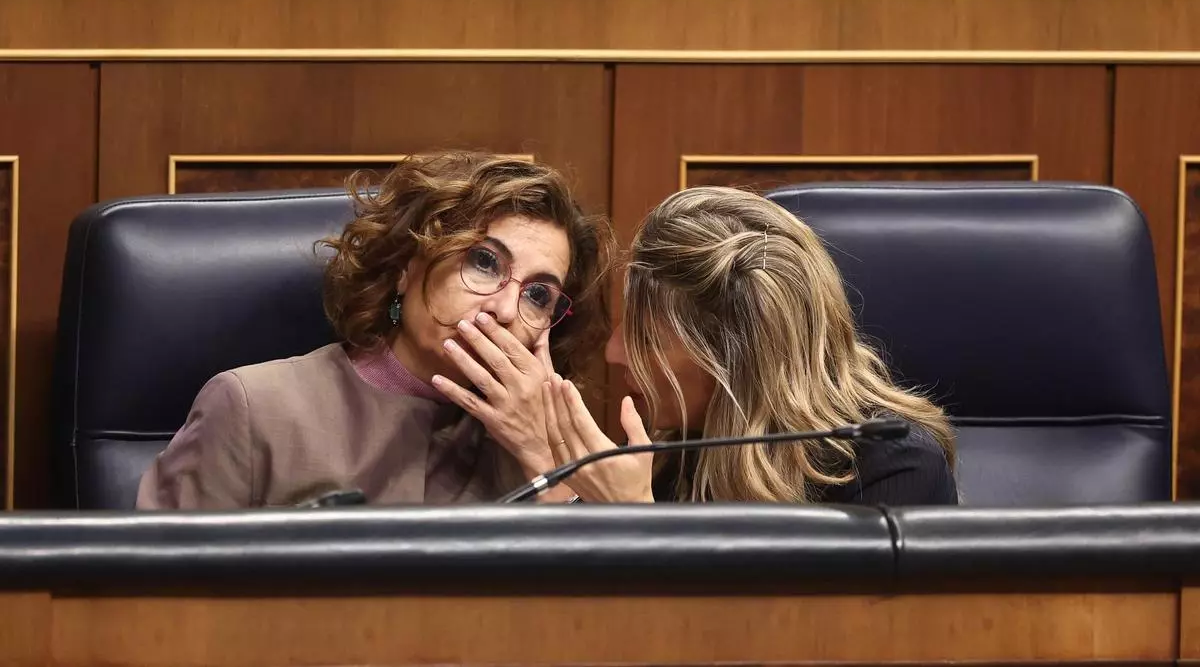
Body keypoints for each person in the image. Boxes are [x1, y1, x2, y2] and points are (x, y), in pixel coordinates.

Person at [135, 152, 614, 509]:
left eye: (538, 295)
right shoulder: (252, 408)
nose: (507, 309)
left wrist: (541, 455)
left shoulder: (543, 444)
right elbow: (153, 597)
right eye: (484, 262)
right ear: (406, 266)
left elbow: (588, 608)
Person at [451, 186, 958, 505]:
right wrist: (550, 457)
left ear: (731, 361)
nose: (613, 354)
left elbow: (778, 637)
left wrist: (634, 523)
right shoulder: (678, 452)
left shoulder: (893, 470)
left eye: (646, 338)